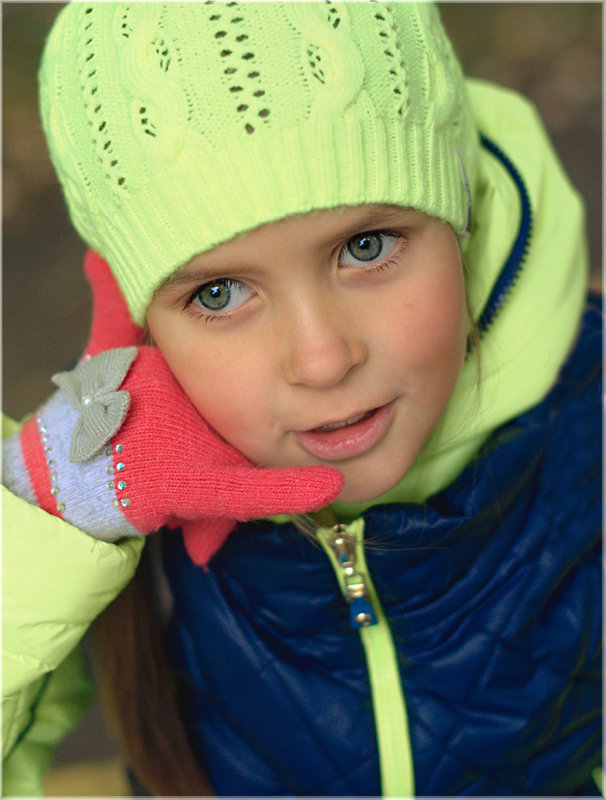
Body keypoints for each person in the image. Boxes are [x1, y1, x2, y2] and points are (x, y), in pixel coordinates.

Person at [2, 2, 601, 796]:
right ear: (139, 320)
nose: (322, 359)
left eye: (365, 246)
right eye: (219, 292)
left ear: (458, 211)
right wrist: (53, 508)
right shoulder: (114, 506)